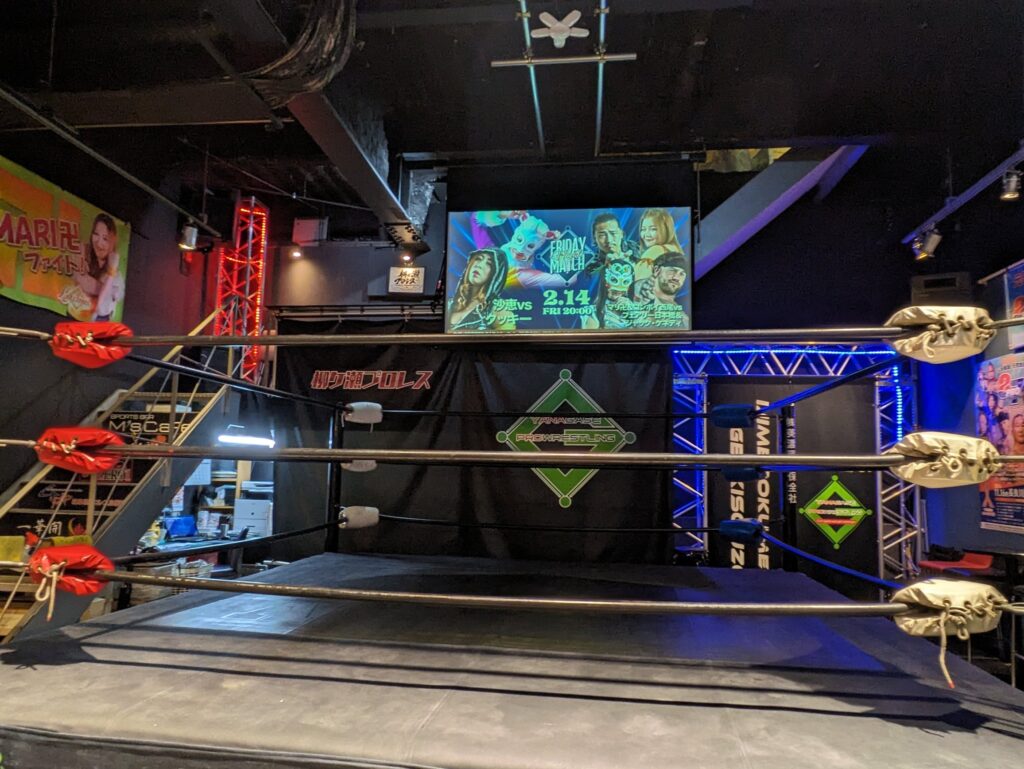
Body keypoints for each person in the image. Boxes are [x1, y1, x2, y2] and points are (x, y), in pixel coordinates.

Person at [448, 248, 513, 332]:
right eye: (478, 259)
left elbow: (508, 338)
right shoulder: (450, 303)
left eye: (489, 264)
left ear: (497, 274)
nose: (479, 265)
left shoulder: (499, 309)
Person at [74, 213, 124, 321]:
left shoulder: (116, 274)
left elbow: (114, 297)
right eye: (96, 234)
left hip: (100, 321)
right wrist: (108, 289)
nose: (99, 242)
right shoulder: (83, 252)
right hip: (75, 316)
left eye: (105, 238)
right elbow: (82, 281)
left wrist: (111, 273)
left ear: (112, 242)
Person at [632, 252, 690, 328]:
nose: (676, 277)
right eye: (672, 271)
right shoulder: (640, 292)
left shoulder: (684, 318)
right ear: (656, 270)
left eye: (682, 274)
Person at [582, 259, 642, 329]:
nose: (618, 288)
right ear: (604, 280)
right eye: (613, 280)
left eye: (625, 282)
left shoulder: (633, 306)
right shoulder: (592, 310)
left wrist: (632, 313)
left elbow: (645, 330)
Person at [634, 208, 683, 281]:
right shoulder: (675, 250)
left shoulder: (656, 250)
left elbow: (638, 281)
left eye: (653, 229)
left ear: (665, 229)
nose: (646, 234)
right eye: (643, 229)